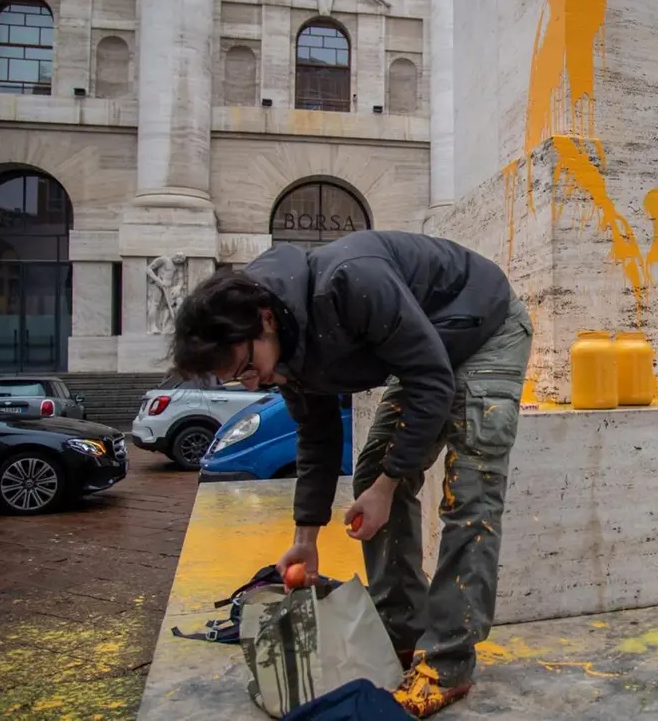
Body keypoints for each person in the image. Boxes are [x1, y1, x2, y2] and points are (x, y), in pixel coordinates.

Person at [169, 230, 534, 717]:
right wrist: (306, 537)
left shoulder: (350, 282)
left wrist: (389, 486)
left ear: (265, 320)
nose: (252, 383)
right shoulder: (285, 344)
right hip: (433, 349)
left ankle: (449, 662)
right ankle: (400, 629)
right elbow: (316, 437)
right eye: (238, 379)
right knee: (372, 475)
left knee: (470, 491)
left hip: (486, 330)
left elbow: (430, 379)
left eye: (248, 367)